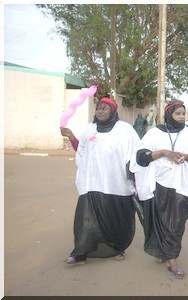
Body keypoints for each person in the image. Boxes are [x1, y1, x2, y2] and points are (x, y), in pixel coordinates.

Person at [60, 97, 140, 265]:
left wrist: (136, 180)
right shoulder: (89, 130)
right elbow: (81, 151)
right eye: (98, 108)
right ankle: (80, 252)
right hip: (92, 185)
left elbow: (136, 157)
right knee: (85, 220)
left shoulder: (125, 130)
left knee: (117, 220)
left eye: (105, 108)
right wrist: (71, 137)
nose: (101, 111)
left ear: (113, 111)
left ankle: (118, 247)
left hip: (117, 186)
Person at [130, 100, 188, 279]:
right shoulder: (155, 133)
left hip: (181, 185)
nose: (181, 117)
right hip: (158, 184)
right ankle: (170, 258)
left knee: (176, 222)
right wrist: (164, 153)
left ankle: (168, 252)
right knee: (160, 220)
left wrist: (186, 157)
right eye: (177, 113)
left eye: (183, 114)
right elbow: (141, 156)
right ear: (169, 114)